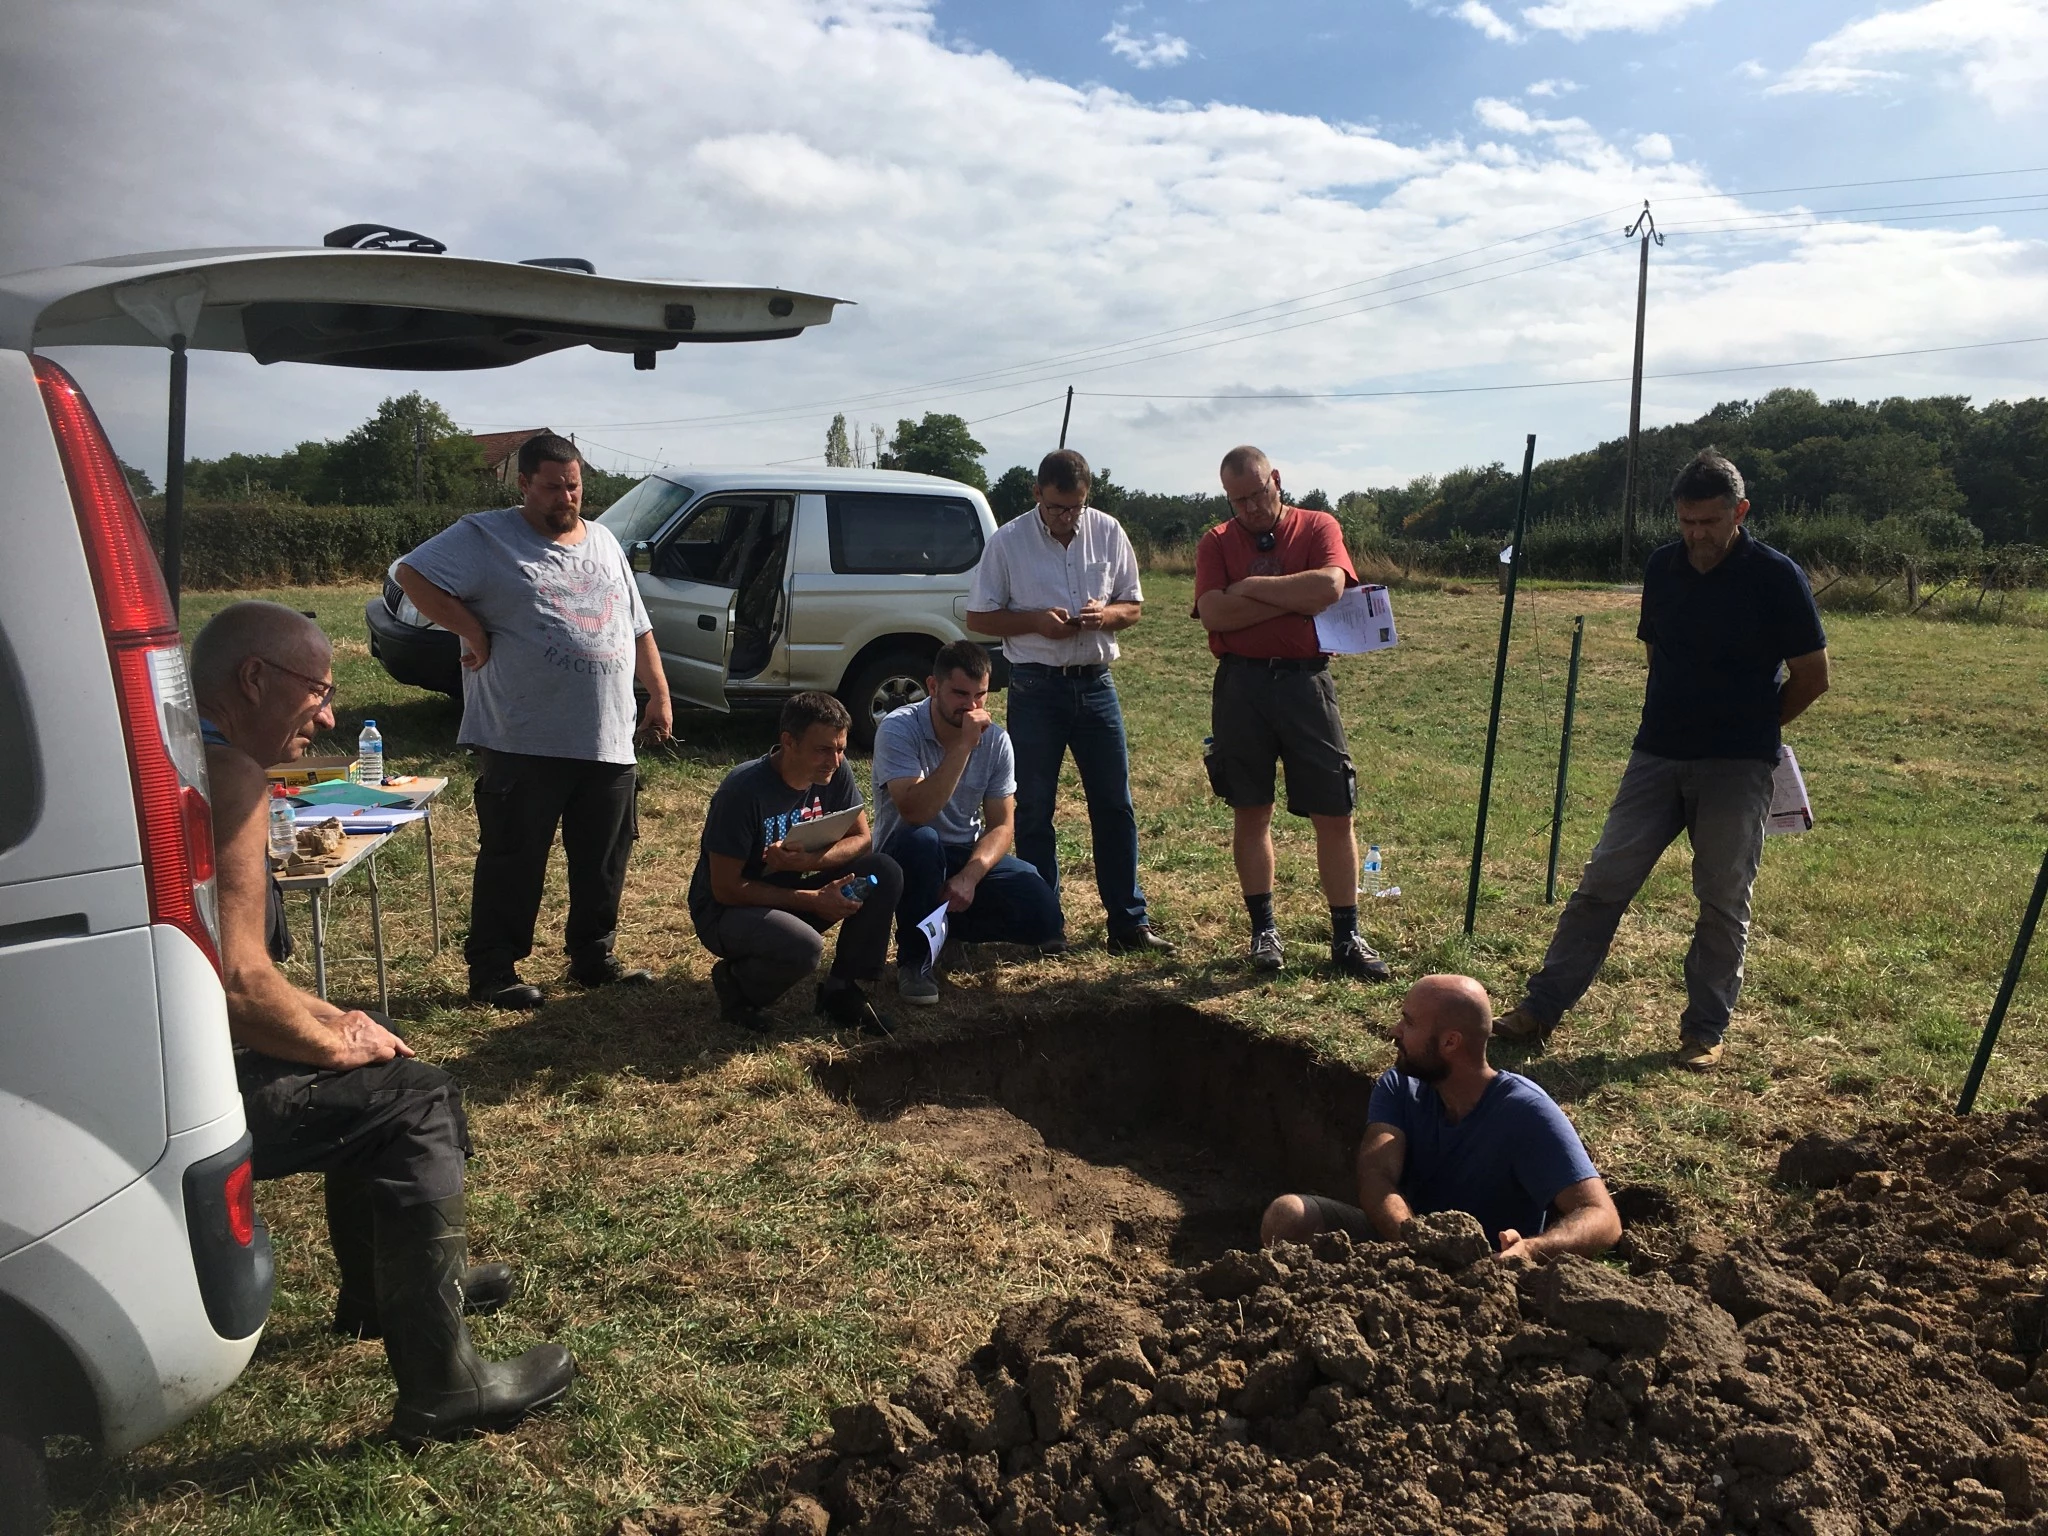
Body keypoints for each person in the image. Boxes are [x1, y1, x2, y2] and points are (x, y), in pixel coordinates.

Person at [189, 601, 573, 1444]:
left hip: (154, 1062)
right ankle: (446, 1386)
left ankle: (386, 1291)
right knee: (414, 1099)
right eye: (318, 692)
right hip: (178, 1094)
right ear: (252, 679)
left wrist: (339, 1019)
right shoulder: (234, 781)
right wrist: (336, 1040)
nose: (328, 715)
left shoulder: (179, 756)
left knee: (374, 1062)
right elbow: (240, 986)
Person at [1495, 449, 1830, 1071]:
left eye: (1709, 522)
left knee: (1722, 898)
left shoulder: (1776, 576)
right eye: (1686, 522)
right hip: (1656, 755)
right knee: (1602, 883)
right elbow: (1657, 655)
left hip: (1737, 765)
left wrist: (1753, 728)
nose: (1696, 535)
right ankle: (1540, 1009)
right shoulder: (1662, 568)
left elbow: (1814, 675)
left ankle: (1704, 1030)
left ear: (1741, 512)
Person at [395, 432, 672, 1010]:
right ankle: (494, 970)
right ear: (523, 484)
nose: (566, 497)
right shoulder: (486, 534)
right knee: (514, 856)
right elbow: (410, 575)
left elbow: (637, 627)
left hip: (606, 733)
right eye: (552, 486)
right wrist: (471, 630)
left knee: (604, 854)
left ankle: (594, 955)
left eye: (573, 485)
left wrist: (659, 695)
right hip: (523, 735)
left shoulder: (604, 542)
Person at [1194, 444, 1389, 980]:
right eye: (1238, 502)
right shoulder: (1215, 541)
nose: (1250, 509)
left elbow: (1328, 586)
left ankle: (1346, 936)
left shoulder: (1318, 525)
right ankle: (1264, 933)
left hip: (1307, 684)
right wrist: (1293, 596)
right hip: (1242, 688)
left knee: (1335, 810)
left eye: (1256, 495)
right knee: (1250, 809)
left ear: (1275, 479)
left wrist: (1253, 589)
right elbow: (1213, 611)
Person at [965, 449, 1170, 956]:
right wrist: (1035, 621)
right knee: (1033, 809)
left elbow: (1134, 605)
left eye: (1075, 507)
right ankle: (1045, 922)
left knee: (1115, 804)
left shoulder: (1108, 530)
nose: (1066, 517)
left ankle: (1127, 921)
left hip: (1097, 684)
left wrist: (1108, 615)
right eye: (1057, 507)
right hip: (1036, 686)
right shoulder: (1009, 541)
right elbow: (979, 618)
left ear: (1086, 498)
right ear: (1037, 494)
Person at [1261, 975, 1620, 1263]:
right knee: (1289, 1215)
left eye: (1409, 1023)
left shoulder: (1526, 1111)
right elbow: (1376, 1175)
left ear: (1450, 1042)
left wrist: (1531, 1249)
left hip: (1489, 1275)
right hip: (1402, 1248)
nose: (1394, 1032)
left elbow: (1602, 1217)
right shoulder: (1401, 1084)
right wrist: (1415, 1238)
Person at [688, 692, 903, 1035]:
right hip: (727, 911)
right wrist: (814, 900)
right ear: (788, 742)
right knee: (804, 947)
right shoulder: (742, 792)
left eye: (841, 749)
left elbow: (863, 840)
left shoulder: (834, 771)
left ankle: (841, 989)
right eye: (823, 750)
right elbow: (725, 888)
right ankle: (737, 987)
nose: (834, 761)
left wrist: (810, 861)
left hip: (792, 890)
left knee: (881, 872)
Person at [871, 641, 1064, 1005]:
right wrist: (962, 747)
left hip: (961, 853)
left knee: (1044, 914)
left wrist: (970, 877)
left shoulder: (997, 741)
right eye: (960, 694)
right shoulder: (899, 728)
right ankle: (916, 961)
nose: (972, 707)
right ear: (932, 687)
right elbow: (915, 811)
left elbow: (1002, 826)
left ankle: (947, 929)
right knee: (923, 841)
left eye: (980, 696)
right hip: (904, 854)